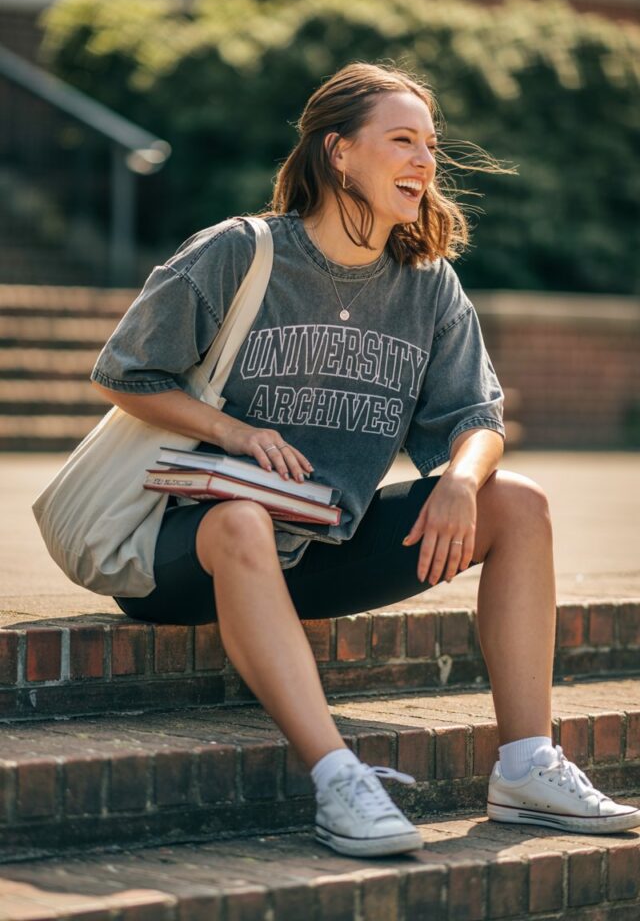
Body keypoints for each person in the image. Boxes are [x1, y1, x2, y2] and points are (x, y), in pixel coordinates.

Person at [91, 62, 639, 857]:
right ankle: (339, 779)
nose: (424, 162)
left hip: (319, 549)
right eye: (402, 141)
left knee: (516, 500)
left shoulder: (427, 286)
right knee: (242, 518)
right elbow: (123, 374)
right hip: (186, 550)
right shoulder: (240, 252)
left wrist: (458, 476)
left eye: (430, 146)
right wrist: (237, 434)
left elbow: (478, 419)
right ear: (339, 152)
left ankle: (527, 766)